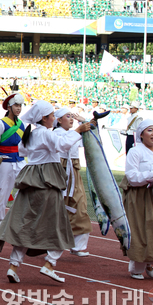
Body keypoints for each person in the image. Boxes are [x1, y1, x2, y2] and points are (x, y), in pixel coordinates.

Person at [0, 101, 91, 284]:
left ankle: (13, 266)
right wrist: (78, 131)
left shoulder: (30, 134)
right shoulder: (46, 133)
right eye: (52, 116)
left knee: (26, 224)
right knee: (59, 224)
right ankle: (50, 264)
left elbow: (22, 150)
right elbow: (62, 145)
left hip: (31, 178)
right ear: (44, 118)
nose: (54, 118)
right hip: (46, 180)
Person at [120, 119, 153, 280]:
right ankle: (137, 267)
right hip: (139, 196)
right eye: (150, 131)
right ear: (141, 134)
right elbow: (132, 177)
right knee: (141, 231)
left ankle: (150, 261)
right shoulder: (135, 152)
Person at [54, 108, 91, 257]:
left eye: (72, 117)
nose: (71, 119)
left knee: (80, 205)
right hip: (61, 171)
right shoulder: (56, 134)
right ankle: (52, 242)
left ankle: (77, 245)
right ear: (58, 120)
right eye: (67, 116)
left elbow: (90, 138)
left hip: (73, 170)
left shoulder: (74, 132)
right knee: (58, 206)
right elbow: (65, 143)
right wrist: (78, 129)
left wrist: (84, 121)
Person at [0, 93, 26, 226]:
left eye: (20, 105)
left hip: (20, 159)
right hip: (4, 160)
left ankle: (15, 213)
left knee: (29, 184)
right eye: (16, 105)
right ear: (9, 107)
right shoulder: (0, 124)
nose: (19, 108)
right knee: (2, 189)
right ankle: (0, 217)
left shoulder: (21, 124)